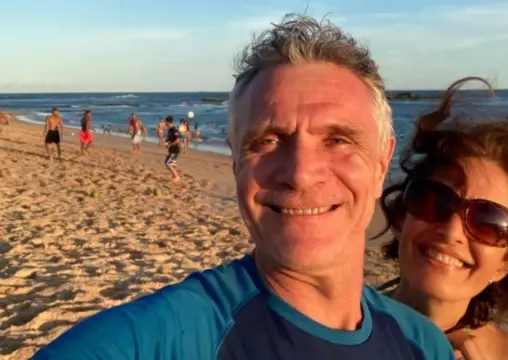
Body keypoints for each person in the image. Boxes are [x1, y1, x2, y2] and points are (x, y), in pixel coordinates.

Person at [33, 14, 454, 360]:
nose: (301, 172)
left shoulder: (425, 345)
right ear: (235, 160)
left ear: (383, 160)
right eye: (267, 141)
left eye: (338, 140)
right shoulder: (158, 339)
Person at [376, 78, 508, 360]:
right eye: (434, 201)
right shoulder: (334, 326)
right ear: (402, 217)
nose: (451, 232)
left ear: (507, 262)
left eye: (489, 223)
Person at [164, 116, 181, 182]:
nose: (165, 124)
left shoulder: (174, 130)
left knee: (168, 163)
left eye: (166, 122)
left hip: (175, 150)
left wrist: (170, 144)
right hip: (171, 149)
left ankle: (177, 177)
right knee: (170, 163)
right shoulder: (169, 130)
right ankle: (175, 176)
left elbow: (178, 140)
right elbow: (169, 139)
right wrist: (167, 143)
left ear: (168, 122)